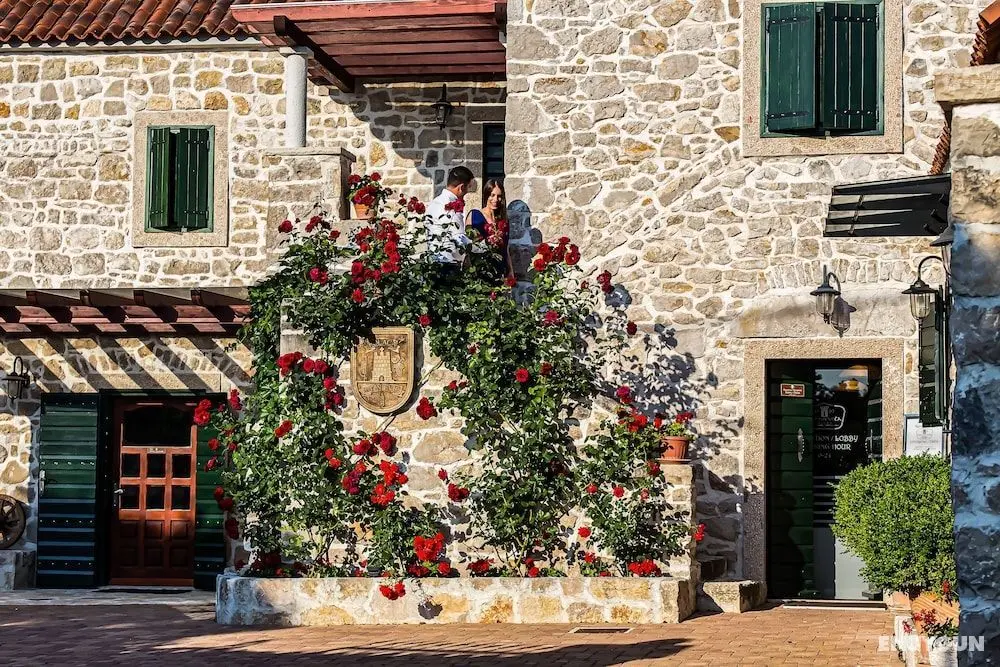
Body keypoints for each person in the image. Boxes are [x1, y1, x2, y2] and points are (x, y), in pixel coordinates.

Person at [465, 178, 514, 281]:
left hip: (499, 270)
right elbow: (467, 245)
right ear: (486, 195)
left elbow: (505, 248)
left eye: (499, 196)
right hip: (480, 270)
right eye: (492, 195)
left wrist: (510, 271)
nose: (496, 199)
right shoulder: (474, 216)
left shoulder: (503, 221)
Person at [425, 166, 475, 267]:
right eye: (468, 188)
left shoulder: (434, 203)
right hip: (448, 264)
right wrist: (480, 248)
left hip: (432, 260)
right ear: (461, 187)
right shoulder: (452, 206)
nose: (467, 192)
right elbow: (459, 238)